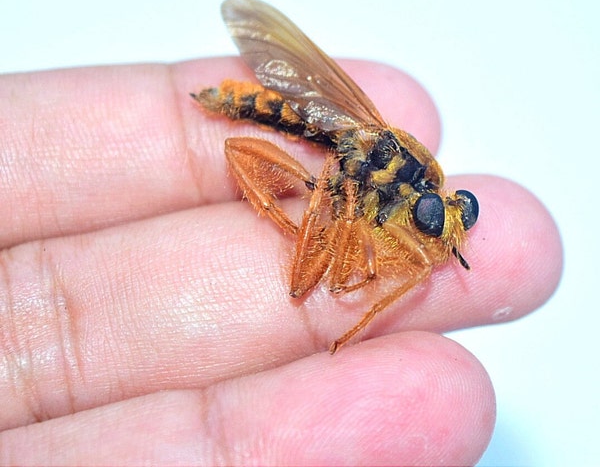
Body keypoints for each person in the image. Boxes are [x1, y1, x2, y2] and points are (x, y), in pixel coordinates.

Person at [0, 57, 562, 465]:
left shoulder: (413, 192)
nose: (449, 219)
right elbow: (331, 237)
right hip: (313, 142)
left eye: (455, 212)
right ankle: (272, 193)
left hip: (346, 169)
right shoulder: (384, 187)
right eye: (447, 216)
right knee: (317, 245)